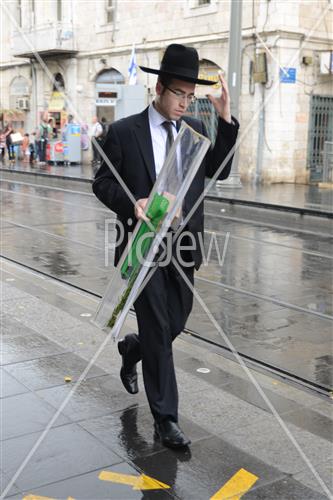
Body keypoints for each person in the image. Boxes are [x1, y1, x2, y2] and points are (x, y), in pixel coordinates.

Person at [93, 44, 239, 449]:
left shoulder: (194, 129)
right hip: (144, 246)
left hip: (183, 245)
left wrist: (224, 118)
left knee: (174, 323)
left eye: (190, 96)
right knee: (158, 326)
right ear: (159, 88)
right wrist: (132, 202)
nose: (183, 102)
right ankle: (166, 419)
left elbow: (220, 170)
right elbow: (102, 182)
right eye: (178, 94)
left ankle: (132, 350)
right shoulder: (124, 131)